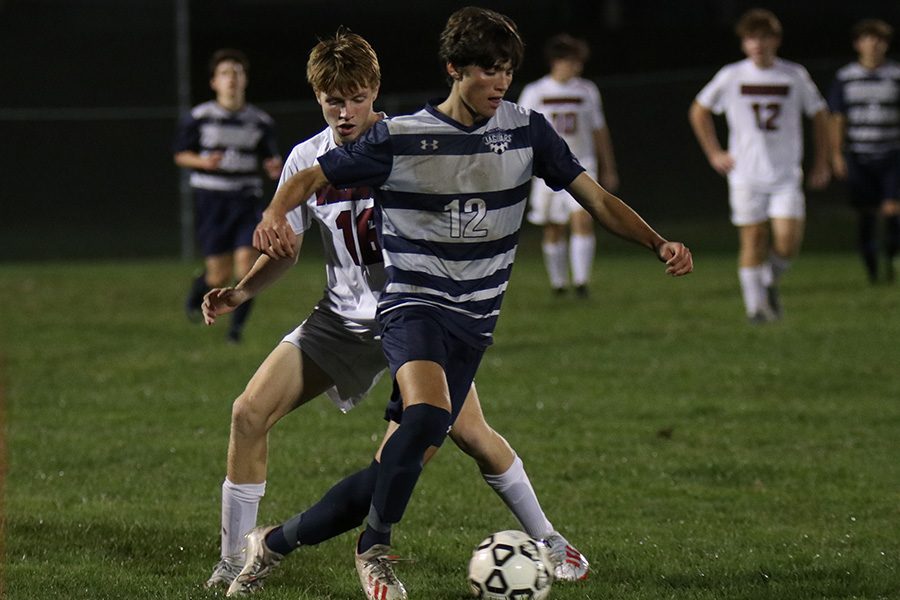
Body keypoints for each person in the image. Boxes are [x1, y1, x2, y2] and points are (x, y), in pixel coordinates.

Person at [249, 8, 692, 600]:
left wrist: (657, 241)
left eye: (507, 69)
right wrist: (276, 212)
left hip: (474, 321)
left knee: (397, 465)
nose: (500, 81)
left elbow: (597, 198)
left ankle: (274, 542)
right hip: (411, 307)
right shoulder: (400, 137)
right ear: (455, 69)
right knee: (429, 417)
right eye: (488, 69)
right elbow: (310, 177)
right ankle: (373, 550)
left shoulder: (527, 130)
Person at [199, 30, 588, 595]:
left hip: (414, 315)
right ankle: (235, 560)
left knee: (462, 435)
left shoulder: (407, 143)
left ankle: (545, 540)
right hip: (338, 319)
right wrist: (240, 291)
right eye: (333, 100)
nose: (345, 110)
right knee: (246, 414)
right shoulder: (306, 158)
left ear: (374, 91)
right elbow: (286, 246)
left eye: (356, 97)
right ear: (317, 98)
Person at [689, 8, 830, 324]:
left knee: (787, 242)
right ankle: (757, 310)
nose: (758, 44)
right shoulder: (731, 75)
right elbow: (698, 110)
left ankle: (767, 283)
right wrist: (714, 152)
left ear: (776, 40)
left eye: (764, 37)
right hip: (745, 174)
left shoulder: (794, 75)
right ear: (743, 43)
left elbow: (820, 115)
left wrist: (822, 161)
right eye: (751, 38)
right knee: (752, 239)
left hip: (785, 174)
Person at [173, 48, 283, 343]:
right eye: (224, 73)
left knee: (246, 267)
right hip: (212, 201)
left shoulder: (260, 121)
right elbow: (181, 155)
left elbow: (270, 157)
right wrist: (203, 162)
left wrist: (273, 166)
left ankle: (235, 331)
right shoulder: (199, 117)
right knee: (218, 276)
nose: (231, 79)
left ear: (245, 79)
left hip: (247, 200)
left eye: (237, 73)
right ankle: (198, 290)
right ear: (214, 82)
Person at [518, 34, 619, 298]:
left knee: (583, 219)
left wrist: (608, 167)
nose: (577, 67)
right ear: (557, 61)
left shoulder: (587, 90)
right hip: (546, 167)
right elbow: (521, 131)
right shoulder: (535, 91)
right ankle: (559, 283)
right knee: (553, 227)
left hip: (581, 164)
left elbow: (599, 129)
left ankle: (582, 282)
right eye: (573, 61)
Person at [828, 19, 900, 284]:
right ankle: (872, 272)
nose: (874, 44)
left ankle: (891, 256)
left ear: (886, 44)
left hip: (892, 154)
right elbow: (836, 118)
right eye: (868, 39)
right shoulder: (846, 77)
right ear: (858, 44)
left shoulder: (895, 75)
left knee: (893, 210)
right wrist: (836, 155)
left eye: (879, 39)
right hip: (858, 155)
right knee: (867, 214)